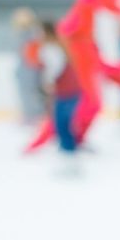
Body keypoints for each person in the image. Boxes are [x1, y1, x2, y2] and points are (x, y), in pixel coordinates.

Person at [38, 19, 83, 173]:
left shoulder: (50, 47)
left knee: (63, 125)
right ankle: (69, 160)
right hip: (71, 90)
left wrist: (48, 82)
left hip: (66, 91)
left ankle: (70, 162)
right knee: (63, 125)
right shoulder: (58, 45)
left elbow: (55, 67)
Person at [11, 7, 46, 124]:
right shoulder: (22, 35)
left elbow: (35, 53)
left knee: (34, 94)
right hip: (24, 69)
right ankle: (29, 116)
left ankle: (36, 116)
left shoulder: (34, 35)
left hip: (32, 69)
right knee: (26, 94)